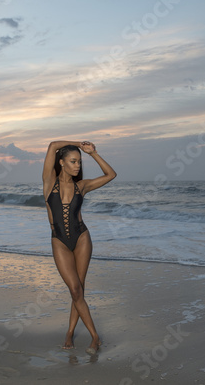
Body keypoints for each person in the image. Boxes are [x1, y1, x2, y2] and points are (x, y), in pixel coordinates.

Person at [43, 140, 117, 354]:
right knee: (75, 289)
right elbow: (52, 145)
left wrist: (93, 153)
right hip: (59, 240)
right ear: (62, 163)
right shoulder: (49, 182)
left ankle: (88, 336)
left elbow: (111, 175)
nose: (77, 165)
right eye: (73, 161)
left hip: (82, 238)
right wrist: (78, 143)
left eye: (79, 162)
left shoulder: (81, 186)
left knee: (79, 290)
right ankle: (85, 334)